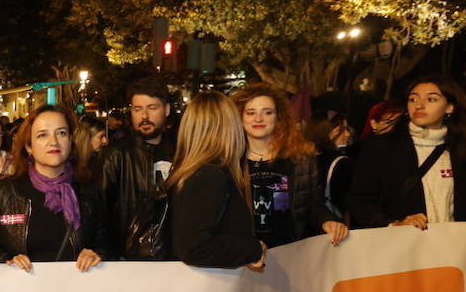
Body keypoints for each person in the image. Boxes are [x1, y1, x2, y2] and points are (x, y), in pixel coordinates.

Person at [347, 76, 466, 234]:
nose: (418, 105)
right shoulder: (381, 147)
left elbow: (458, 204)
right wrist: (394, 224)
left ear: (450, 107)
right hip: (401, 249)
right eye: (412, 99)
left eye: (431, 99)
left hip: (448, 249)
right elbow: (358, 200)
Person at [0, 105, 105, 271]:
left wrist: (97, 254)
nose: (53, 141)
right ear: (29, 147)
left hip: (78, 291)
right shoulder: (2, 191)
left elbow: (107, 242)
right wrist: (7, 260)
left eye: (61, 133)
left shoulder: (89, 190)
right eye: (42, 135)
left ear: (70, 140)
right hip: (22, 291)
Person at [231, 84, 347, 247]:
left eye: (267, 112)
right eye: (251, 113)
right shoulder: (228, 161)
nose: (258, 119)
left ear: (279, 118)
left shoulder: (300, 158)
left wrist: (328, 221)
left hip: (291, 252)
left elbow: (314, 205)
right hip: (245, 254)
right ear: (240, 118)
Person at [166, 92, 266, 270]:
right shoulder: (209, 175)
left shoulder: (190, 171)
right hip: (210, 288)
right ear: (228, 127)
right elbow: (194, 248)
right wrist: (251, 249)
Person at [98, 78, 177, 261]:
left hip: (175, 259)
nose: (144, 116)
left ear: (166, 109)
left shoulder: (181, 152)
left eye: (152, 108)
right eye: (137, 109)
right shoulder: (115, 155)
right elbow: (101, 211)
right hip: (127, 260)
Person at [303, 111, 354, 220]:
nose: (348, 134)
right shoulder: (341, 163)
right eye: (344, 129)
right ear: (333, 132)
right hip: (331, 225)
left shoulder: (301, 160)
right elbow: (348, 203)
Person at [73, 113, 108, 182]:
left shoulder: (101, 159)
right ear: (87, 139)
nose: (105, 141)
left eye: (105, 136)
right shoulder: (70, 166)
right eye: (101, 137)